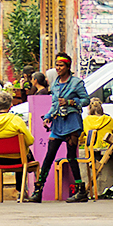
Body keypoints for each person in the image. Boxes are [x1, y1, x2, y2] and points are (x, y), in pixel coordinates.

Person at [27, 53, 89, 204]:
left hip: (72, 124)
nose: (58, 68)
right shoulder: (55, 84)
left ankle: (81, 190)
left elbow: (85, 100)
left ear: (68, 67)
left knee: (71, 157)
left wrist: (70, 102)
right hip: (58, 124)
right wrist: (48, 116)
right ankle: (38, 190)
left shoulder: (76, 83)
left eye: (61, 65)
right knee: (49, 156)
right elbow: (54, 104)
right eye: (57, 65)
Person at [0, 92, 35, 195]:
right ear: (10, 106)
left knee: (21, 156)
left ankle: (20, 191)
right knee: (24, 155)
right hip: (17, 159)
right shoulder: (16, 120)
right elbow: (30, 141)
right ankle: (22, 191)